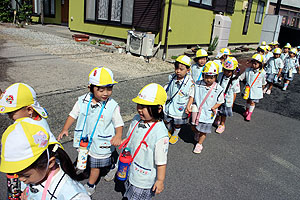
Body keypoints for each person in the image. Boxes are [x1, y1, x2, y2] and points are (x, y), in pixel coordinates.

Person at [57, 67, 124, 196]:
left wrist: (118, 135)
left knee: (95, 165)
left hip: (101, 140)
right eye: (101, 89)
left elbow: (119, 123)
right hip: (85, 139)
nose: (106, 93)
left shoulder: (112, 105)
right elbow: (73, 115)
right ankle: (112, 164)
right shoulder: (82, 100)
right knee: (86, 157)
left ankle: (91, 185)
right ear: (91, 88)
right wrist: (65, 128)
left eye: (109, 88)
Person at [0, 120, 90, 200]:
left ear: (50, 163)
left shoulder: (72, 195)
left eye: (26, 175)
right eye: (18, 174)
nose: (21, 179)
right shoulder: (37, 175)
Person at [0, 83, 59, 199]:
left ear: (29, 110)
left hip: (29, 178)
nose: (9, 116)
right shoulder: (29, 120)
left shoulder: (38, 128)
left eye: (11, 113)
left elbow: (51, 150)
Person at [121, 83, 169, 200]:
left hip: (143, 179)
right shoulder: (137, 119)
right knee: (128, 190)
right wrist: (124, 141)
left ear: (158, 109)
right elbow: (131, 136)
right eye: (139, 105)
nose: (139, 109)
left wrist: (160, 180)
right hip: (130, 167)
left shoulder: (160, 134)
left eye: (144, 107)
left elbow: (161, 161)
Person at [186, 61, 224, 153]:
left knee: (204, 130)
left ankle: (199, 144)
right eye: (206, 76)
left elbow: (221, 101)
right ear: (203, 75)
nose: (209, 79)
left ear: (216, 77)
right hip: (197, 111)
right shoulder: (198, 84)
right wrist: (188, 105)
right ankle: (196, 132)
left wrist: (214, 107)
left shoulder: (218, 88)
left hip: (208, 113)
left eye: (212, 77)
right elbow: (192, 95)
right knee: (193, 126)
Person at [164, 55, 195, 144]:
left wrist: (189, 105)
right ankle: (169, 130)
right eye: (176, 68)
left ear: (188, 70)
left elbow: (191, 95)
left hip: (180, 107)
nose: (178, 71)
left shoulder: (190, 82)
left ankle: (175, 134)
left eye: (181, 69)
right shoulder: (172, 77)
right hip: (170, 104)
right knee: (167, 119)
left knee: (178, 122)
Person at [215, 57, 240, 134]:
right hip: (218, 97)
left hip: (227, 99)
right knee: (217, 110)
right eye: (225, 70)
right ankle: (217, 119)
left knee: (224, 113)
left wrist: (232, 102)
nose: (226, 72)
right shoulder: (220, 75)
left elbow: (234, 92)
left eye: (229, 71)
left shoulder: (235, 79)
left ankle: (222, 124)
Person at [239, 54, 266, 121]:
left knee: (252, 102)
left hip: (256, 90)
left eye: (256, 63)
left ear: (260, 64)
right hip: (247, 89)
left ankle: (249, 114)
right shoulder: (248, 70)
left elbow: (263, 82)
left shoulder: (262, 72)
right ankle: (247, 110)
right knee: (248, 100)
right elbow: (241, 77)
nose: (254, 64)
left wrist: (262, 89)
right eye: (253, 63)